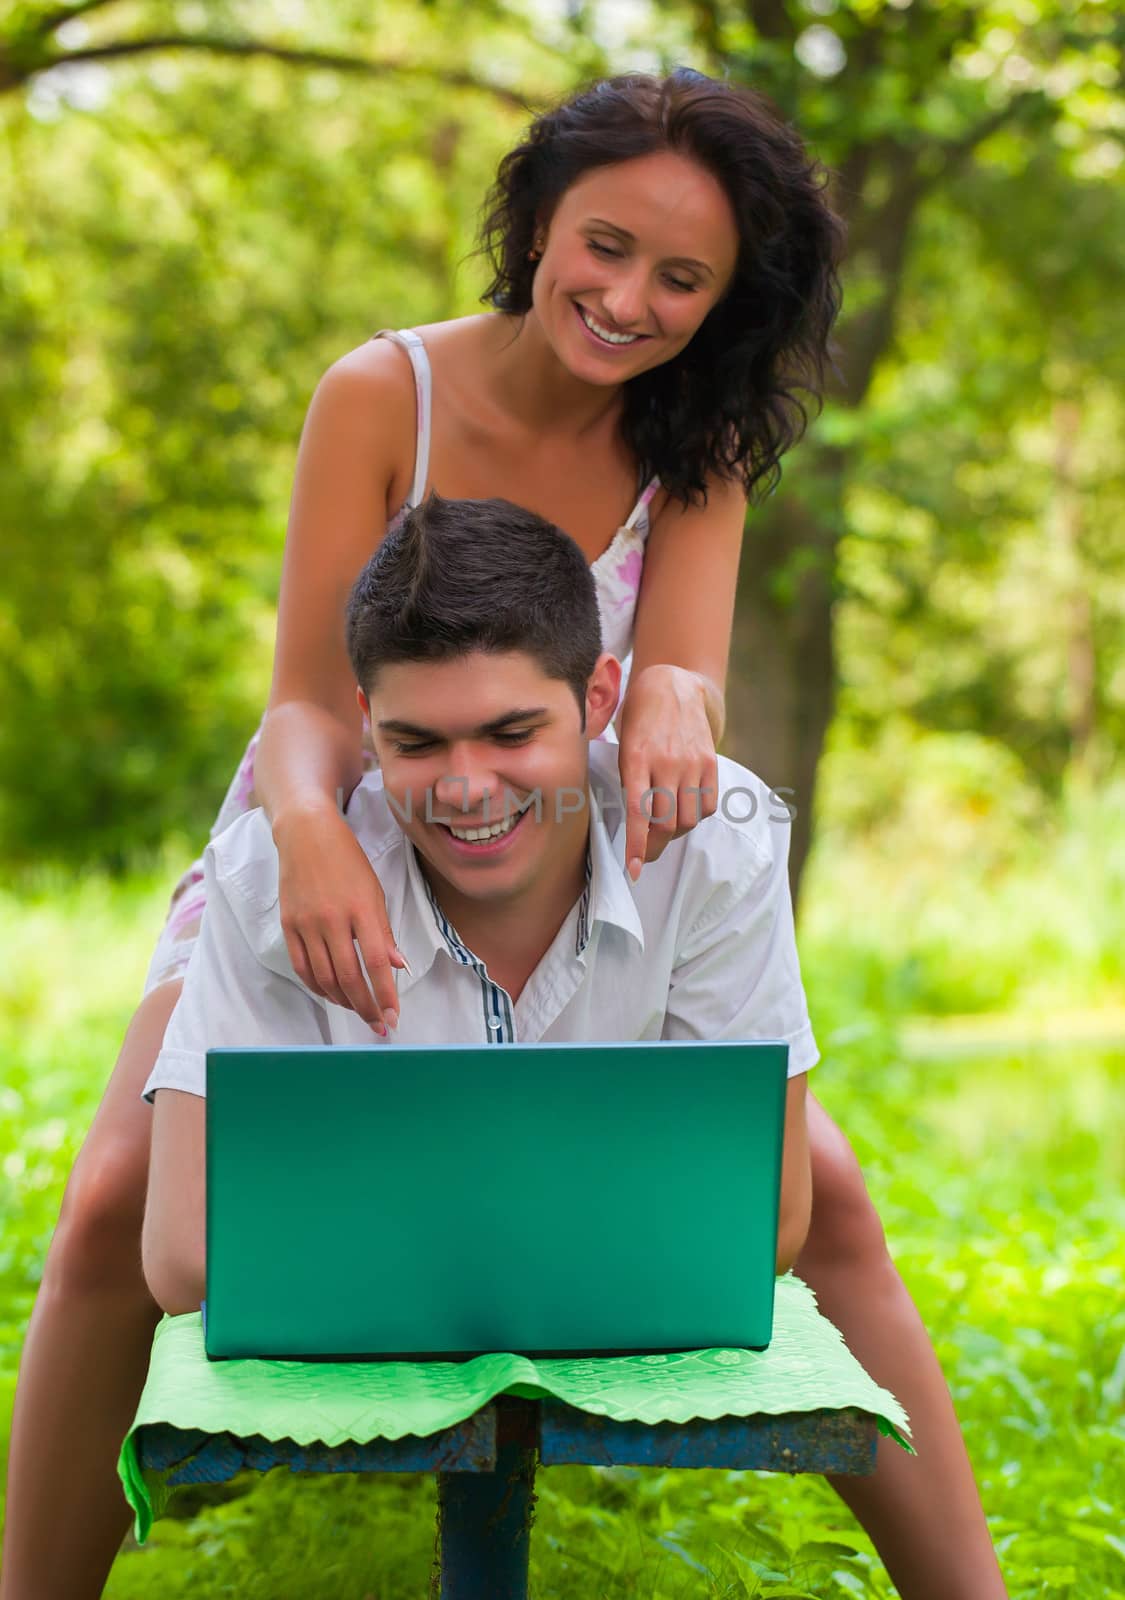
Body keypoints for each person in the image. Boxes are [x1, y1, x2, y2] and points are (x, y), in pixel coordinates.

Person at [0, 68, 1005, 1600]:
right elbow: (307, 701)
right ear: (536, 222)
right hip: (341, 804)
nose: (628, 299)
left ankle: (967, 1587)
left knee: (831, 1195)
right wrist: (308, 831)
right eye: (604, 246)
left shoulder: (699, 446)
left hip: (571, 840)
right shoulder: (380, 390)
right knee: (118, 1192)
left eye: (685, 279)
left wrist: (677, 695)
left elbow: (671, 673)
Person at [141, 494, 815, 1313]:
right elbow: (185, 1259)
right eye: (415, 743)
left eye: (511, 734)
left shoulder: (712, 844)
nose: (464, 788)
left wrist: (356, 1235)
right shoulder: (262, 872)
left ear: (598, 698)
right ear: (367, 723)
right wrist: (599, 1230)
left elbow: (761, 1223)